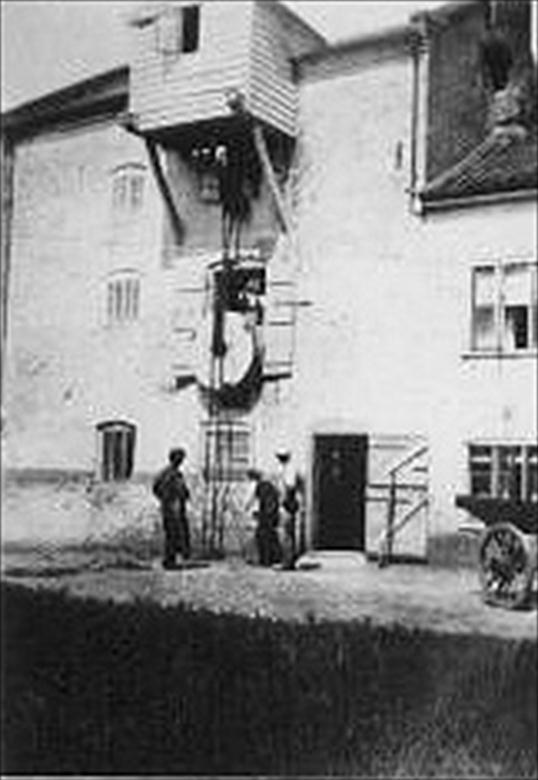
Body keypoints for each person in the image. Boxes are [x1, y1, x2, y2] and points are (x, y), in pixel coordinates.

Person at [153, 448, 191, 569]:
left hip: (177, 507)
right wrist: (166, 500)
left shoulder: (176, 474)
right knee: (172, 534)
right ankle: (169, 560)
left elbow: (182, 490)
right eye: (179, 459)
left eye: (182, 459)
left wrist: (185, 495)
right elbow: (157, 488)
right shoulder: (168, 474)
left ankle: (172, 559)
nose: (181, 461)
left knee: (176, 534)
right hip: (171, 508)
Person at [245, 468, 281, 566]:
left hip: (266, 515)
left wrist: (249, 509)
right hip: (270, 514)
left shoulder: (258, 486)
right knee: (270, 536)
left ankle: (265, 559)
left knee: (262, 536)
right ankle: (272, 558)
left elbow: (251, 500)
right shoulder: (269, 486)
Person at [275, 448, 302, 570]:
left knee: (286, 534)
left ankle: (288, 561)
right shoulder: (285, 469)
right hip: (287, 503)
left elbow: (290, 487)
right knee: (287, 533)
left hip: (288, 504)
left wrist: (284, 502)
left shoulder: (289, 470)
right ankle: (287, 560)